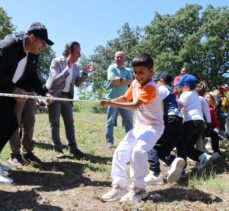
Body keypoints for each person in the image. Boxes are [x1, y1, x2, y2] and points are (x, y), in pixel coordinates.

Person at [100, 53, 164, 202]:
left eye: (141, 72)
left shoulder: (151, 87)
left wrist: (111, 104)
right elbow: (125, 98)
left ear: (151, 70)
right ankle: (119, 187)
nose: (137, 75)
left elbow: (135, 105)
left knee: (137, 152)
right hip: (139, 127)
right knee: (120, 152)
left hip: (153, 127)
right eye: (135, 72)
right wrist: (109, 100)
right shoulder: (135, 83)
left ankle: (140, 190)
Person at [0, 22, 54, 183]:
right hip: (3, 91)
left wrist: (44, 92)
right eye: (42, 43)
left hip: (6, 95)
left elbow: (31, 76)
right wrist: (13, 89)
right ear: (31, 38)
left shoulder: (33, 54)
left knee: (9, 125)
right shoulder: (9, 45)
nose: (43, 47)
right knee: (6, 123)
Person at [45, 41, 93, 159]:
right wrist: (68, 67)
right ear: (69, 51)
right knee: (55, 123)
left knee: (70, 124)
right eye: (77, 52)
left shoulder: (76, 66)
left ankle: (73, 148)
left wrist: (85, 73)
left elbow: (77, 83)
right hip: (55, 95)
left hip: (67, 97)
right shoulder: (56, 61)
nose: (79, 55)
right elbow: (55, 80)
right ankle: (58, 149)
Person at [145, 71, 184, 185]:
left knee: (151, 144)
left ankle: (155, 173)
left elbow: (151, 100)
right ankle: (176, 165)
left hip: (170, 119)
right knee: (162, 151)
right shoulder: (171, 91)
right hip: (178, 122)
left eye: (156, 81)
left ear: (161, 81)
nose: (155, 84)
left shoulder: (163, 89)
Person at [174, 74, 213, 173]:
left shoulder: (185, 94)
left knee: (181, 144)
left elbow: (179, 105)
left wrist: (174, 103)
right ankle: (203, 157)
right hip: (200, 124)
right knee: (188, 147)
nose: (180, 88)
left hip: (191, 122)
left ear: (186, 86)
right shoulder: (196, 95)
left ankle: (181, 169)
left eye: (181, 86)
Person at [104, 51, 133, 148]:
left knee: (129, 121)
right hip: (112, 99)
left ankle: (130, 141)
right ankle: (109, 141)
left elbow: (131, 82)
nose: (119, 59)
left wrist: (119, 79)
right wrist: (123, 80)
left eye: (121, 57)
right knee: (110, 121)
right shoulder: (111, 67)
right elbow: (112, 81)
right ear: (114, 58)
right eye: (117, 57)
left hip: (125, 99)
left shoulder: (128, 70)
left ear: (125, 58)